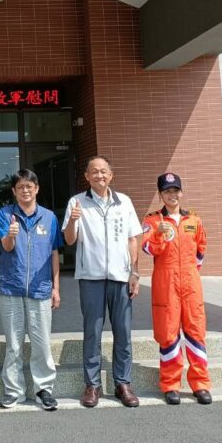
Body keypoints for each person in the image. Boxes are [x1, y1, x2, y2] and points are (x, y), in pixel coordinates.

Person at [62, 156, 142, 409]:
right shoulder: (77, 202)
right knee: (92, 332)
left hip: (120, 277)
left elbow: (132, 239)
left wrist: (134, 273)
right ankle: (92, 385)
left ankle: (123, 383)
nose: (99, 176)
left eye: (104, 171)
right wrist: (74, 220)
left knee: (123, 332)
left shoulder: (124, 202)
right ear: (86, 176)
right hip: (91, 278)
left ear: (111, 174)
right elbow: (70, 240)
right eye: (94, 172)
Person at [0, 169, 63, 411]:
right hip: (11, 288)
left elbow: (54, 252)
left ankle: (44, 388)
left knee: (41, 342)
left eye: (29, 186)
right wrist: (10, 235)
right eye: (20, 187)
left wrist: (56, 287)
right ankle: (14, 392)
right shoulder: (5, 214)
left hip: (41, 288)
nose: (25, 190)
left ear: (37, 189)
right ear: (14, 191)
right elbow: (6, 246)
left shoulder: (49, 217)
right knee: (13, 343)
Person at [141, 172, 211, 405]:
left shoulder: (194, 220)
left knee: (195, 331)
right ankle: (170, 385)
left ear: (181, 192)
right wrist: (159, 236)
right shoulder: (152, 221)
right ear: (160, 194)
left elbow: (200, 250)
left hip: (190, 280)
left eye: (175, 190)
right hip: (165, 279)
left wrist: (190, 272)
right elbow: (148, 249)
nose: (172, 195)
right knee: (168, 332)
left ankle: (200, 384)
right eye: (167, 191)